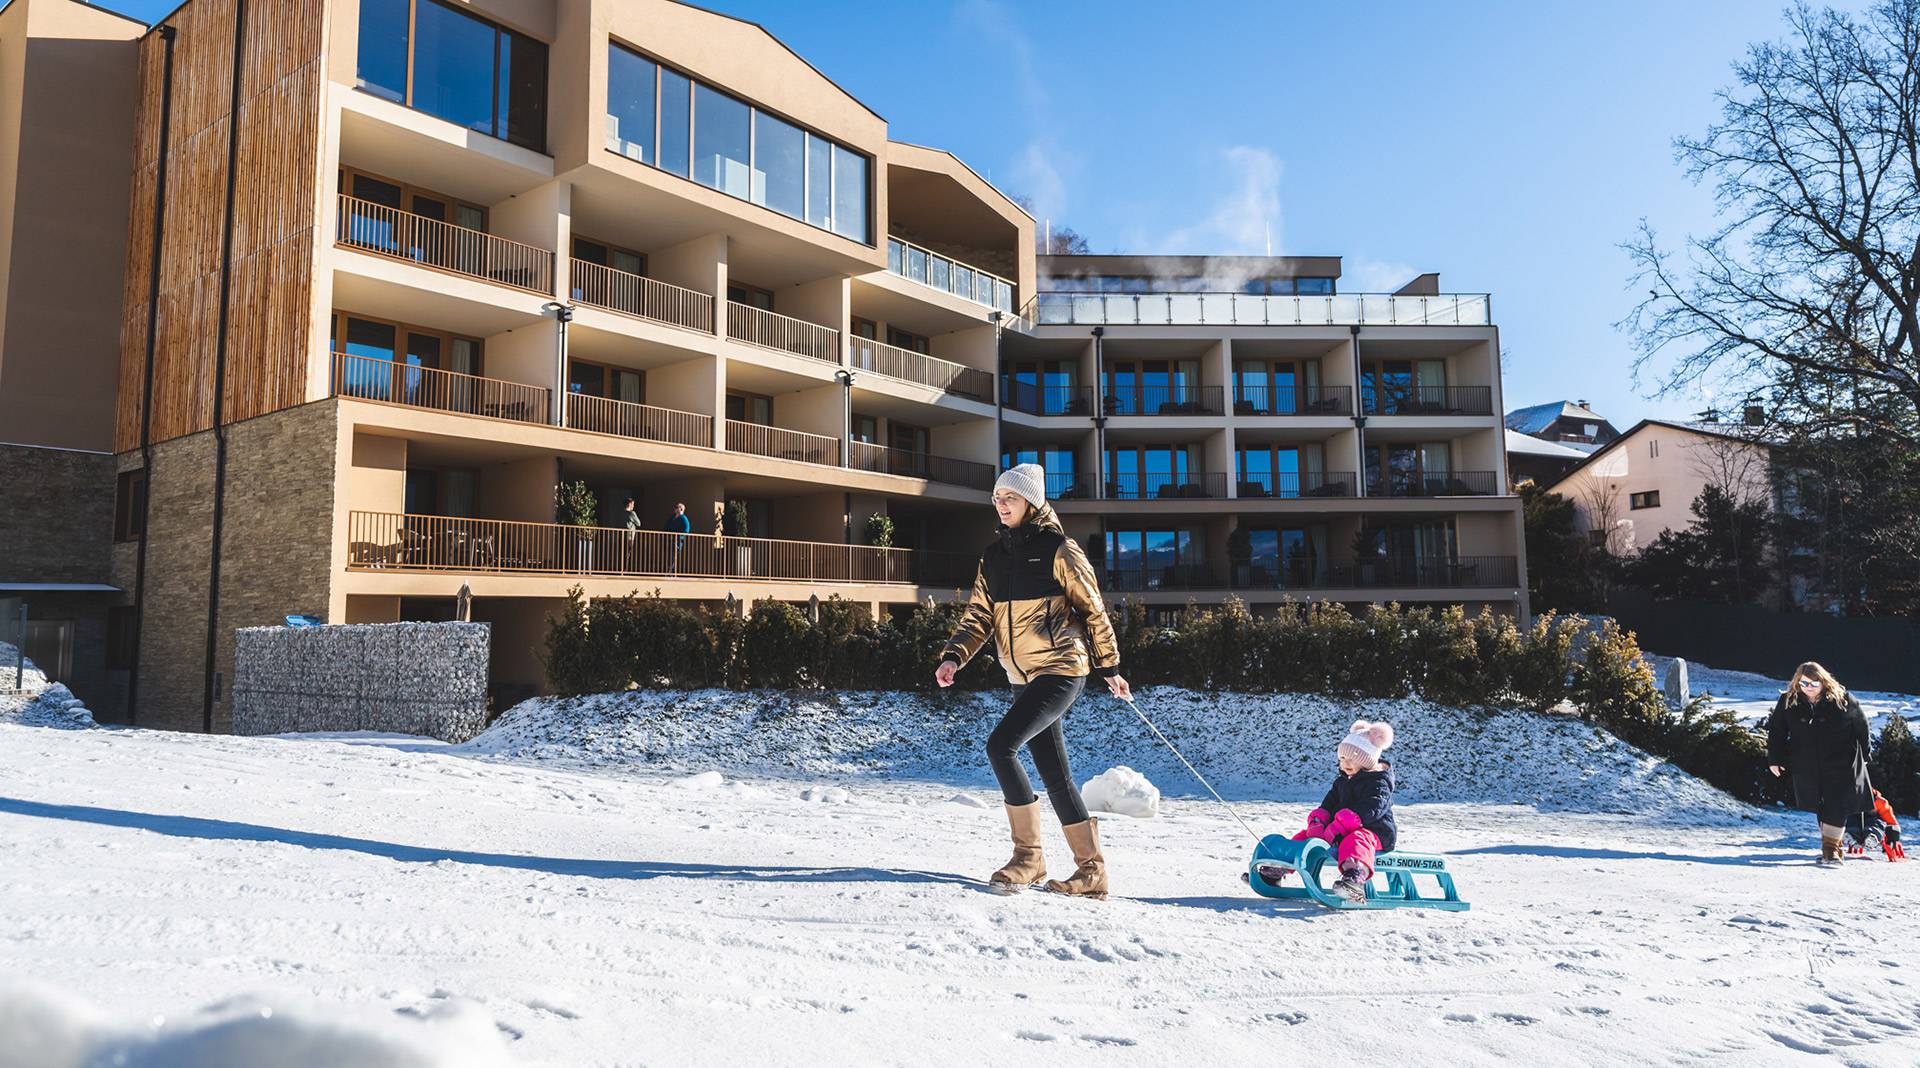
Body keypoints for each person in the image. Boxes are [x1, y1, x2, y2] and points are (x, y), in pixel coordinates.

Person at [935, 463, 1129, 899]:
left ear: (1032, 502)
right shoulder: (993, 556)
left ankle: (1028, 857)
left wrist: (1109, 667)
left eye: (1011, 498)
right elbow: (979, 616)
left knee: (1000, 746)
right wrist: (953, 656)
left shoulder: (1059, 549)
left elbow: (1093, 609)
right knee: (1055, 775)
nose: (1001, 505)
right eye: (997, 498)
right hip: (1022, 675)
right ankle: (1092, 871)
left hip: (1062, 668)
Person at [1257, 720, 1397, 905]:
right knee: (1305, 837)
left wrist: (1345, 822)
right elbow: (1329, 803)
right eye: (1342, 759)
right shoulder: (1342, 781)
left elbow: (1373, 807)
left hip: (1374, 831)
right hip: (1340, 829)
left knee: (1357, 840)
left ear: (1366, 760)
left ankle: (1354, 878)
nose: (1345, 764)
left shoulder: (1378, 782)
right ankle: (1278, 868)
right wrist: (1319, 821)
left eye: (1352, 759)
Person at [1767, 661, 1874, 866]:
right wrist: (1775, 759)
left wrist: (1865, 754)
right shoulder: (1789, 701)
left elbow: (1862, 726)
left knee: (1837, 804)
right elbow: (1777, 731)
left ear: (1824, 682)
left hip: (1842, 762)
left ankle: (1830, 852)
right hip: (1806, 763)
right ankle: (1833, 847)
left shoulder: (1843, 699)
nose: (1808, 688)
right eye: (1803, 683)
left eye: (1813, 683)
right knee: (1821, 805)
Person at [1845, 788, 1906, 861]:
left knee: (1876, 823)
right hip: (1855, 817)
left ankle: (1872, 837)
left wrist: (1893, 836)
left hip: (1872, 820)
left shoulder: (1880, 802)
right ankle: (1852, 836)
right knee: (1852, 820)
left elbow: (1890, 819)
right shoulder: (1849, 801)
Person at [666, 501, 690, 573]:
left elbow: (686, 530)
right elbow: (666, 526)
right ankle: (668, 572)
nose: (675, 508)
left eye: (677, 507)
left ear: (681, 509)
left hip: (677, 541)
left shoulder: (684, 518)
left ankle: (670, 573)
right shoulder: (672, 517)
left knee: (672, 557)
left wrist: (678, 537)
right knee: (668, 556)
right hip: (669, 540)